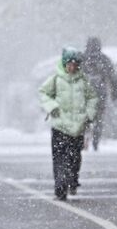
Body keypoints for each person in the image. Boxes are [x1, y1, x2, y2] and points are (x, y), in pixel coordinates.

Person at [39, 47, 98, 201]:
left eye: (75, 64)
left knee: (74, 158)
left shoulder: (84, 81)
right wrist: (52, 107)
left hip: (78, 128)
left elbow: (93, 98)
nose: (72, 67)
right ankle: (60, 187)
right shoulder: (56, 79)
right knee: (59, 158)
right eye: (69, 64)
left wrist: (89, 114)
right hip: (60, 126)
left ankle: (72, 181)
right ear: (64, 64)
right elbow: (44, 93)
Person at [81, 37, 117, 150]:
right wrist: (115, 92)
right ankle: (95, 141)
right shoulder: (104, 59)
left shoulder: (82, 58)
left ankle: (84, 139)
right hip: (100, 93)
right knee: (98, 119)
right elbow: (112, 77)